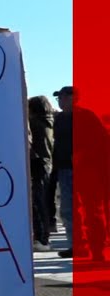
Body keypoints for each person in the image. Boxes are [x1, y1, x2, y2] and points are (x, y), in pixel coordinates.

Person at [53, 86, 106, 260]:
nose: (60, 100)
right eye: (58, 98)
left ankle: (97, 248)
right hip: (64, 169)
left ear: (73, 98)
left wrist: (83, 154)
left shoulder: (87, 116)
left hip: (87, 170)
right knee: (69, 210)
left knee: (91, 210)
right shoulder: (59, 118)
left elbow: (101, 141)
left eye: (63, 97)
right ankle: (77, 245)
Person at [28, 95, 56, 252]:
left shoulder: (35, 124)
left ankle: (41, 238)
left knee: (37, 202)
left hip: (38, 164)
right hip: (45, 164)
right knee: (41, 201)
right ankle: (42, 236)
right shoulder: (48, 123)